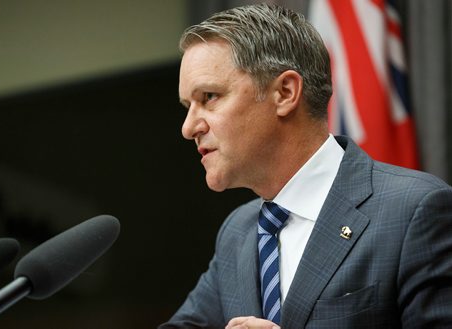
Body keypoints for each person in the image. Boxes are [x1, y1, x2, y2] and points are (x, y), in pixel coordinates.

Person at [160, 3, 452, 329]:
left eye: (209, 97)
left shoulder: (414, 211)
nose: (189, 127)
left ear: (285, 92)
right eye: (188, 106)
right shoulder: (238, 231)